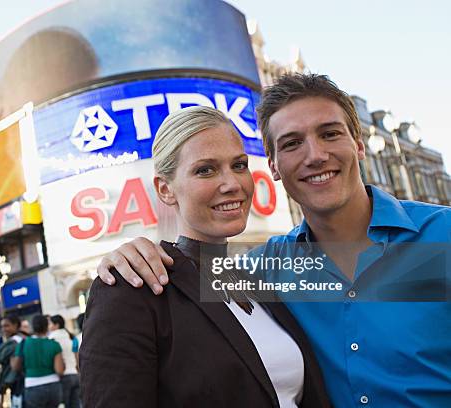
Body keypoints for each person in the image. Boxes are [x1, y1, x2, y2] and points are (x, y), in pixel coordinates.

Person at [96, 74, 451, 407]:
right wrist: (123, 254)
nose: (315, 155)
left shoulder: (442, 236)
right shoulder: (264, 270)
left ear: (358, 144)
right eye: (293, 143)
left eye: (330, 134)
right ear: (274, 165)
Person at [80, 106, 330, 407]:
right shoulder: (132, 288)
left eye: (239, 165)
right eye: (205, 170)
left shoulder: (256, 281)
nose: (232, 184)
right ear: (165, 189)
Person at [12, 315, 65, 408]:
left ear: (33, 327)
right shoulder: (54, 344)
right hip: (53, 386)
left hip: (32, 386)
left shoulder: (23, 344)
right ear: (47, 326)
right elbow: (60, 370)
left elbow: (16, 367)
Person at [48, 315, 81, 408]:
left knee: (64, 404)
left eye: (50, 324)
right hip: (75, 375)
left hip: (63, 376)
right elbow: (76, 355)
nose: (49, 326)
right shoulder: (71, 337)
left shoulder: (52, 338)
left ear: (56, 325)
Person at [0, 314, 25, 407]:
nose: (4, 329)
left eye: (6, 325)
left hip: (18, 385)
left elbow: (0, 358)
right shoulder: (24, 339)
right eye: (2, 326)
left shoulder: (12, 343)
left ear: (16, 325)